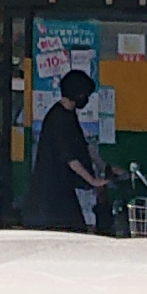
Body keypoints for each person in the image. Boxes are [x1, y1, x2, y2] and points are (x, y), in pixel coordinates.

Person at [24, 68, 108, 233]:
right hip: (50, 192)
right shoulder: (59, 119)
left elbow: (83, 145)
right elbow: (71, 158)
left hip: (59, 187)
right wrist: (93, 181)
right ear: (78, 95)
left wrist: (104, 166)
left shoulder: (67, 113)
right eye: (85, 94)